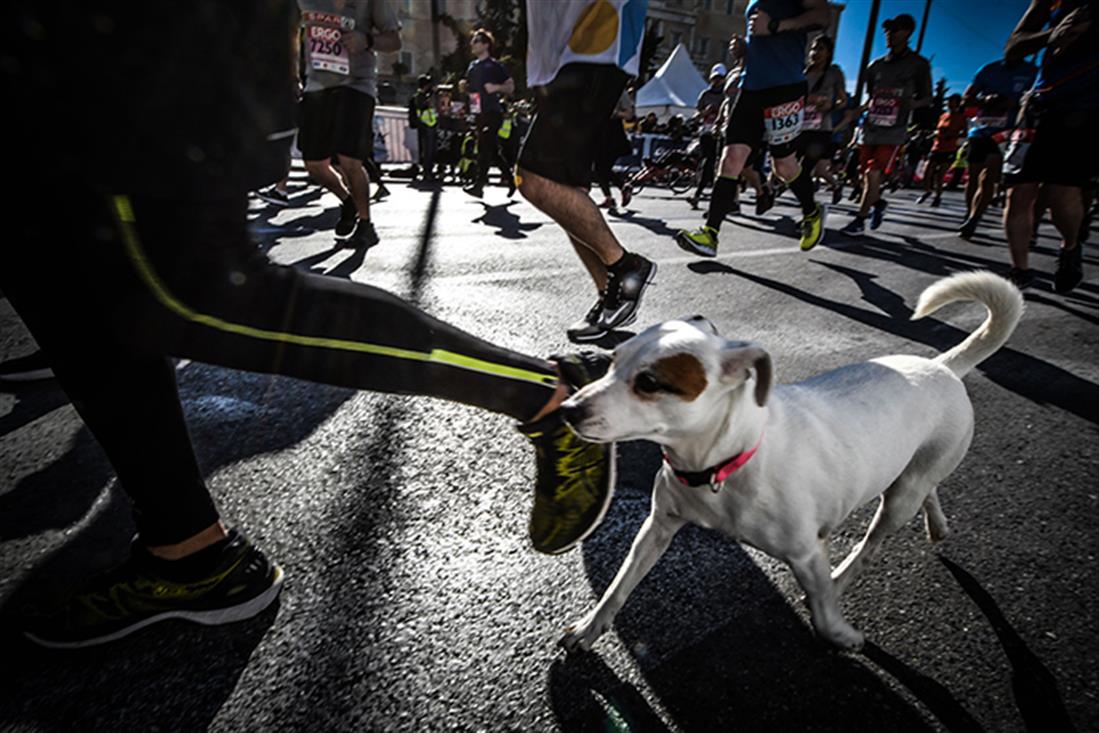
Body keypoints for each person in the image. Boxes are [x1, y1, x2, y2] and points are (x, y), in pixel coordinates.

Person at [8, 0, 617, 648]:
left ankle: (547, 395)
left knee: (193, 296)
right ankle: (186, 547)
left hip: (135, 55)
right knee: (72, 295)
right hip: (72, 64)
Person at [516, 0, 657, 344]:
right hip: (572, 50)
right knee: (567, 190)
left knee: (533, 178)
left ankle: (625, 268)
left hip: (595, 43)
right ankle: (610, 294)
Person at [677, 0, 832, 258]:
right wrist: (744, 51)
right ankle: (710, 234)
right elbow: (764, 41)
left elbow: (823, 16)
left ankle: (812, 211)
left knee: (783, 166)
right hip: (750, 90)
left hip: (785, 87)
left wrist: (775, 25)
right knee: (730, 160)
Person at [1001, 0, 1097, 292]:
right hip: (1039, 110)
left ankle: (1070, 248)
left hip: (1085, 113)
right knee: (1018, 194)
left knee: (1060, 197)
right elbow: (1013, 47)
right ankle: (1020, 271)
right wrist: (1053, 34)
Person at [297, 0, 399, 249]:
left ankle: (366, 225)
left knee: (349, 158)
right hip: (317, 87)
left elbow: (395, 42)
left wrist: (367, 40)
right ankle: (348, 201)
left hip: (356, 84)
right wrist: (292, 75)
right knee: (314, 166)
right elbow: (290, 30)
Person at [839, 13, 932, 236]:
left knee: (874, 174)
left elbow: (927, 98)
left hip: (893, 132)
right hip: (870, 128)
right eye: (888, 30)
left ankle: (860, 220)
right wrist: (856, 113)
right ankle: (878, 203)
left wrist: (911, 104)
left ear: (908, 33)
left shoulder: (918, 65)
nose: (890, 35)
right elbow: (872, 97)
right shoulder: (876, 66)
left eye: (896, 30)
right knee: (864, 177)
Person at [958, 55, 1038, 238]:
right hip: (980, 130)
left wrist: (1015, 103)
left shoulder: (1031, 72)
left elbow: (1037, 100)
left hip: (1006, 132)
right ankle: (969, 211)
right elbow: (967, 99)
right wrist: (986, 100)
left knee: (988, 177)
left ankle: (974, 218)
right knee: (973, 177)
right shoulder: (989, 69)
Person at [463, 29, 515, 198]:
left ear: (486, 45)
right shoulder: (472, 67)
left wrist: (496, 87)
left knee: (484, 148)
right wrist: (464, 88)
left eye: (476, 41)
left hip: (493, 113)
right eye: (472, 41)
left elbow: (511, 86)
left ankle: (479, 186)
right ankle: (511, 179)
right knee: (491, 150)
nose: (472, 44)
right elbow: (472, 92)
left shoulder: (494, 66)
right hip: (480, 113)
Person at [799, 35, 847, 201]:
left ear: (828, 53)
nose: (815, 52)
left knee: (806, 171)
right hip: (799, 128)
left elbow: (843, 101)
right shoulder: (803, 72)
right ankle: (808, 205)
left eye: (820, 49)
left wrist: (830, 106)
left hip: (820, 131)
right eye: (813, 48)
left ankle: (809, 209)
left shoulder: (834, 73)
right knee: (791, 168)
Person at [689, 64, 728, 209]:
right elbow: (696, 116)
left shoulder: (727, 95)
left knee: (719, 164)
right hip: (706, 132)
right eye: (715, 78)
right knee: (708, 162)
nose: (717, 81)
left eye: (720, 78)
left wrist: (718, 112)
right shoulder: (705, 95)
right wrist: (705, 113)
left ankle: (724, 197)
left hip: (721, 132)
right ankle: (699, 194)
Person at [918, 94, 967, 207]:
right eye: (949, 102)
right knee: (927, 171)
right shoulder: (943, 115)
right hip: (937, 147)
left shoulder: (961, 117)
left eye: (952, 102)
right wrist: (936, 134)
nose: (950, 104)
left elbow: (964, 133)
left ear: (957, 104)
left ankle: (937, 197)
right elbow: (937, 129)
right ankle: (927, 191)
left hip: (949, 149)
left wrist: (953, 135)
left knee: (940, 175)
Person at [593, 88, 635, 211]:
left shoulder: (620, 91)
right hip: (599, 132)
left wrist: (612, 113)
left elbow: (629, 114)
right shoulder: (595, 86)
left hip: (613, 133)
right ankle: (612, 195)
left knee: (601, 168)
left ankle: (619, 190)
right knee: (599, 168)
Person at [411, 73, 440, 181]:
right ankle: (427, 172)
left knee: (431, 150)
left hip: (430, 125)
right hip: (425, 125)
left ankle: (429, 170)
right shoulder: (419, 96)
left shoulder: (428, 95)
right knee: (427, 151)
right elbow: (422, 106)